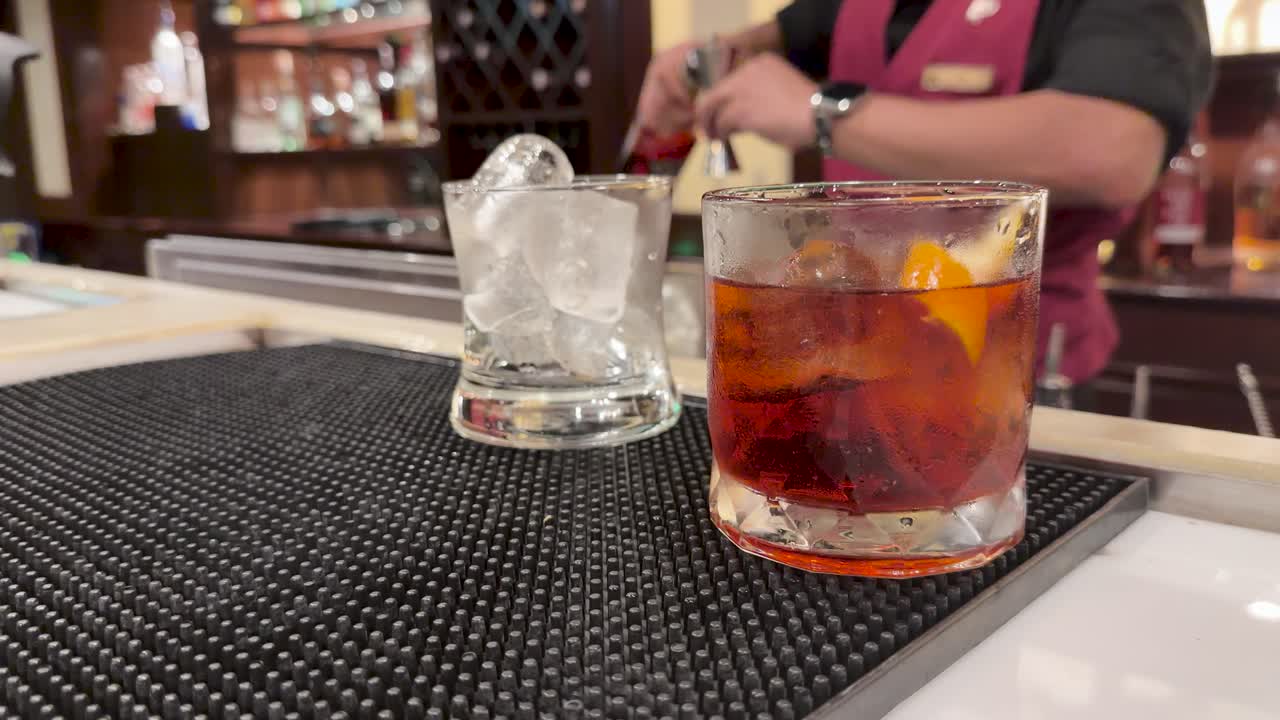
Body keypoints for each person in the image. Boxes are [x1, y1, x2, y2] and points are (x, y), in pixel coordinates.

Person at [636, 0, 1214, 405]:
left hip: (1014, 377)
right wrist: (706, 57)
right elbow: (790, 29)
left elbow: (1113, 151)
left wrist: (821, 113)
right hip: (851, 358)